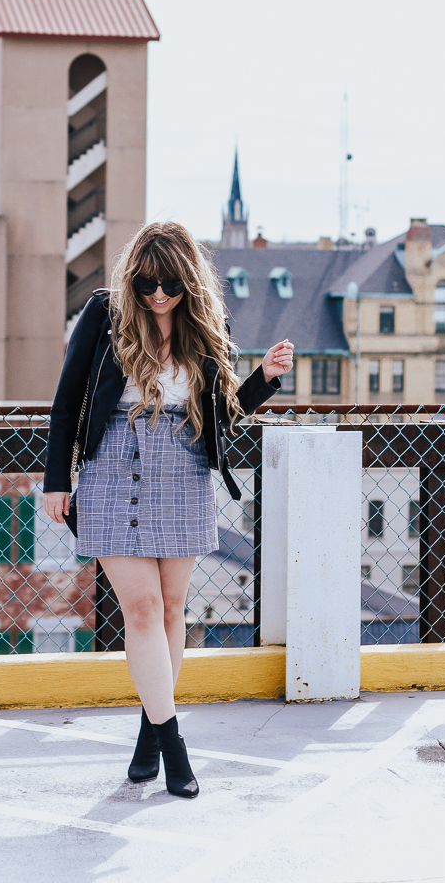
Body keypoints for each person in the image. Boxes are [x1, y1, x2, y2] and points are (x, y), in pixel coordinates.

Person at [44, 221, 293, 798]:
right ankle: (175, 746)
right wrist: (58, 480)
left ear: (189, 281)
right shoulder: (105, 314)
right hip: (112, 466)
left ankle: (148, 734)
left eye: (170, 284)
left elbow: (225, 411)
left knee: (173, 608)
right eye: (148, 283)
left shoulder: (206, 325)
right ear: (133, 279)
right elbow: (64, 400)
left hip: (182, 470)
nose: (158, 295)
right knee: (141, 608)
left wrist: (265, 379)